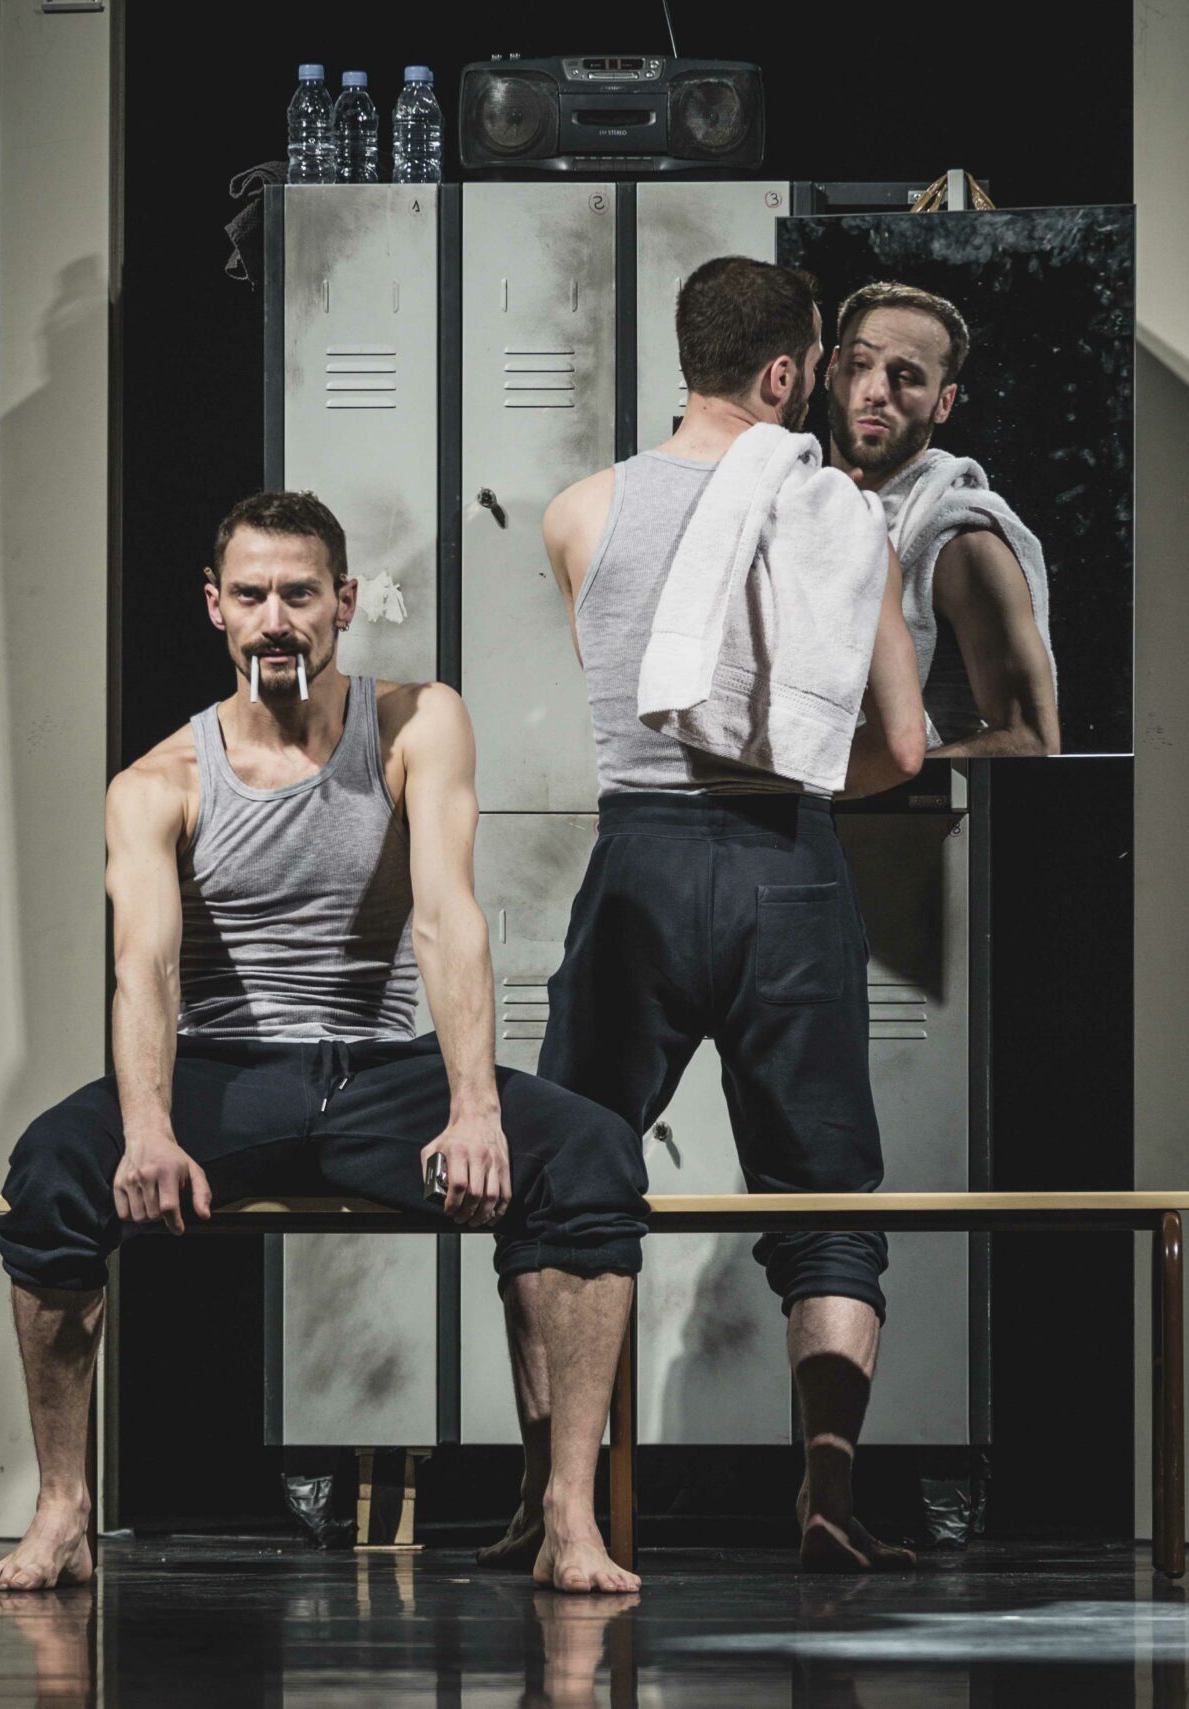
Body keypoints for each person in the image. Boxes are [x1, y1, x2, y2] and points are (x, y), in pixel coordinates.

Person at [0, 490, 648, 1595]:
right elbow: (144, 964)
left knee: (588, 1155)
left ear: (343, 600)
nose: (275, 619)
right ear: (215, 607)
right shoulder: (158, 782)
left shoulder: (417, 721)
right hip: (225, 1074)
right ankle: (62, 1507)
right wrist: (146, 1127)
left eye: (299, 594)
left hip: (379, 1072)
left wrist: (474, 1107)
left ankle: (566, 1513)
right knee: (51, 1168)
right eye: (250, 595)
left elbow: (446, 915)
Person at [479, 256, 930, 1574]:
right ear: (787, 372)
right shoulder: (843, 517)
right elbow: (902, 745)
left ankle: (547, 1494)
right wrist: (800, 771)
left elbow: (623, 687)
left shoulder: (580, 512)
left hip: (642, 863)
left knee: (565, 1173)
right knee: (827, 1192)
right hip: (789, 863)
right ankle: (829, 1493)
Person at [825, 281, 1061, 756]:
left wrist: (866, 778)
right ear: (831, 370)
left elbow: (1032, 741)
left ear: (944, 402)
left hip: (895, 803)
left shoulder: (964, 542)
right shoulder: (804, 509)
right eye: (859, 365)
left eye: (906, 376)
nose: (875, 392)